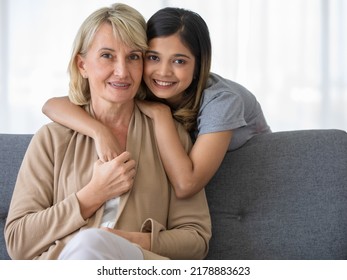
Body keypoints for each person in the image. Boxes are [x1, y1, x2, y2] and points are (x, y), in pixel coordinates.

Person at [4, 3, 211, 260]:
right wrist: (93, 194)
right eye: (107, 55)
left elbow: (196, 240)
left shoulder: (169, 135)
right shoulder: (51, 139)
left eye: (134, 56)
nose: (122, 71)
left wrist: (129, 242)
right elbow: (17, 242)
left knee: (93, 242)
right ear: (82, 65)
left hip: (139, 267)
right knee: (88, 245)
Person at [42, 7, 271, 199]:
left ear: (199, 66)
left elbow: (185, 185)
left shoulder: (222, 101)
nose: (163, 72)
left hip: (246, 172)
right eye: (153, 57)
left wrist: (161, 114)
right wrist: (99, 131)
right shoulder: (142, 82)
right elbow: (51, 105)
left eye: (179, 61)